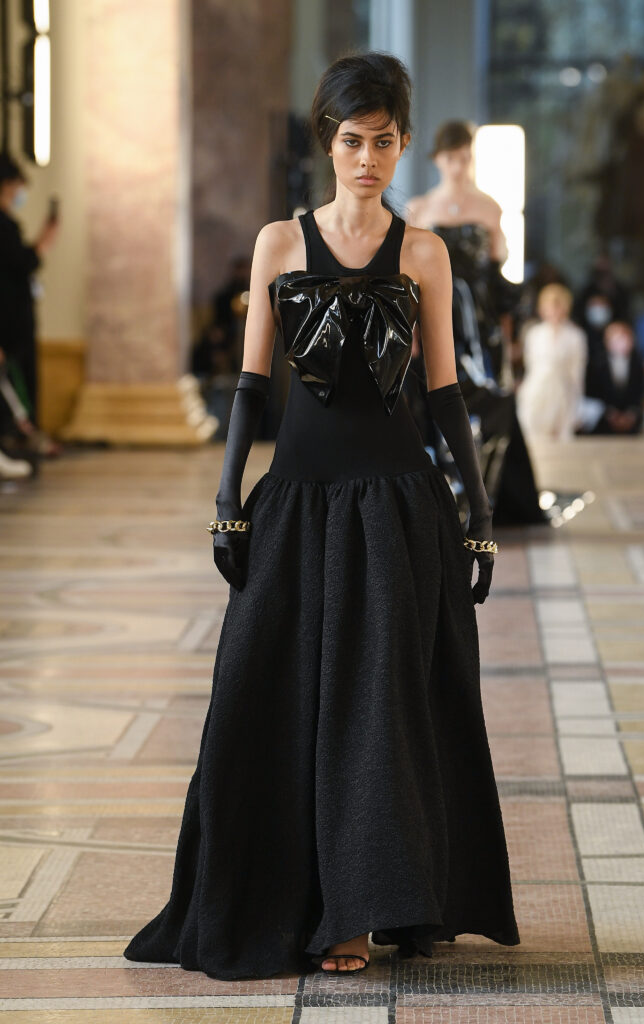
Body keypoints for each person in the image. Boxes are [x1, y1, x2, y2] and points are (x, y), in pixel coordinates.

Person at [123, 52, 519, 981]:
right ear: (326, 144)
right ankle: (284, 898)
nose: (366, 159)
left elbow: (445, 397)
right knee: (263, 700)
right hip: (296, 507)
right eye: (351, 142)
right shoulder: (279, 244)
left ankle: (359, 914)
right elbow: (250, 387)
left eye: (382, 142)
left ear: (403, 143)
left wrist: (477, 513)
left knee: (380, 715)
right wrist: (228, 502)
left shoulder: (424, 253)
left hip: (397, 510)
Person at [405, 121, 545, 525]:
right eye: (451, 157)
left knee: (490, 402)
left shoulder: (489, 207)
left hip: (481, 326)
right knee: (434, 401)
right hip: (438, 318)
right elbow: (410, 279)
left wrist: (509, 336)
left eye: (465, 157)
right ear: (437, 159)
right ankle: (443, 502)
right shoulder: (419, 209)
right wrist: (412, 332)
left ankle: (483, 502)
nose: (458, 165)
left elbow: (498, 278)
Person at [0, 152, 60, 460]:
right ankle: (17, 440)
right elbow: (22, 262)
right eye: (15, 188)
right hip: (9, 327)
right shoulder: (3, 227)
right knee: (15, 386)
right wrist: (43, 244)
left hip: (15, 323)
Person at [517, 284, 588, 441]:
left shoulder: (576, 336)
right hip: (536, 393)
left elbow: (577, 372)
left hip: (563, 395)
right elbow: (530, 365)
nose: (554, 311)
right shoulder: (534, 334)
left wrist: (578, 403)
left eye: (558, 306)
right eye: (550, 306)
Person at [583, 321, 644, 435]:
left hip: (631, 423)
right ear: (606, 341)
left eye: (624, 336)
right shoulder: (596, 364)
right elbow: (593, 392)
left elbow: (640, 392)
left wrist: (631, 414)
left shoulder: (638, 363)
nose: (620, 341)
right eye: (615, 337)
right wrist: (610, 413)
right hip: (602, 423)